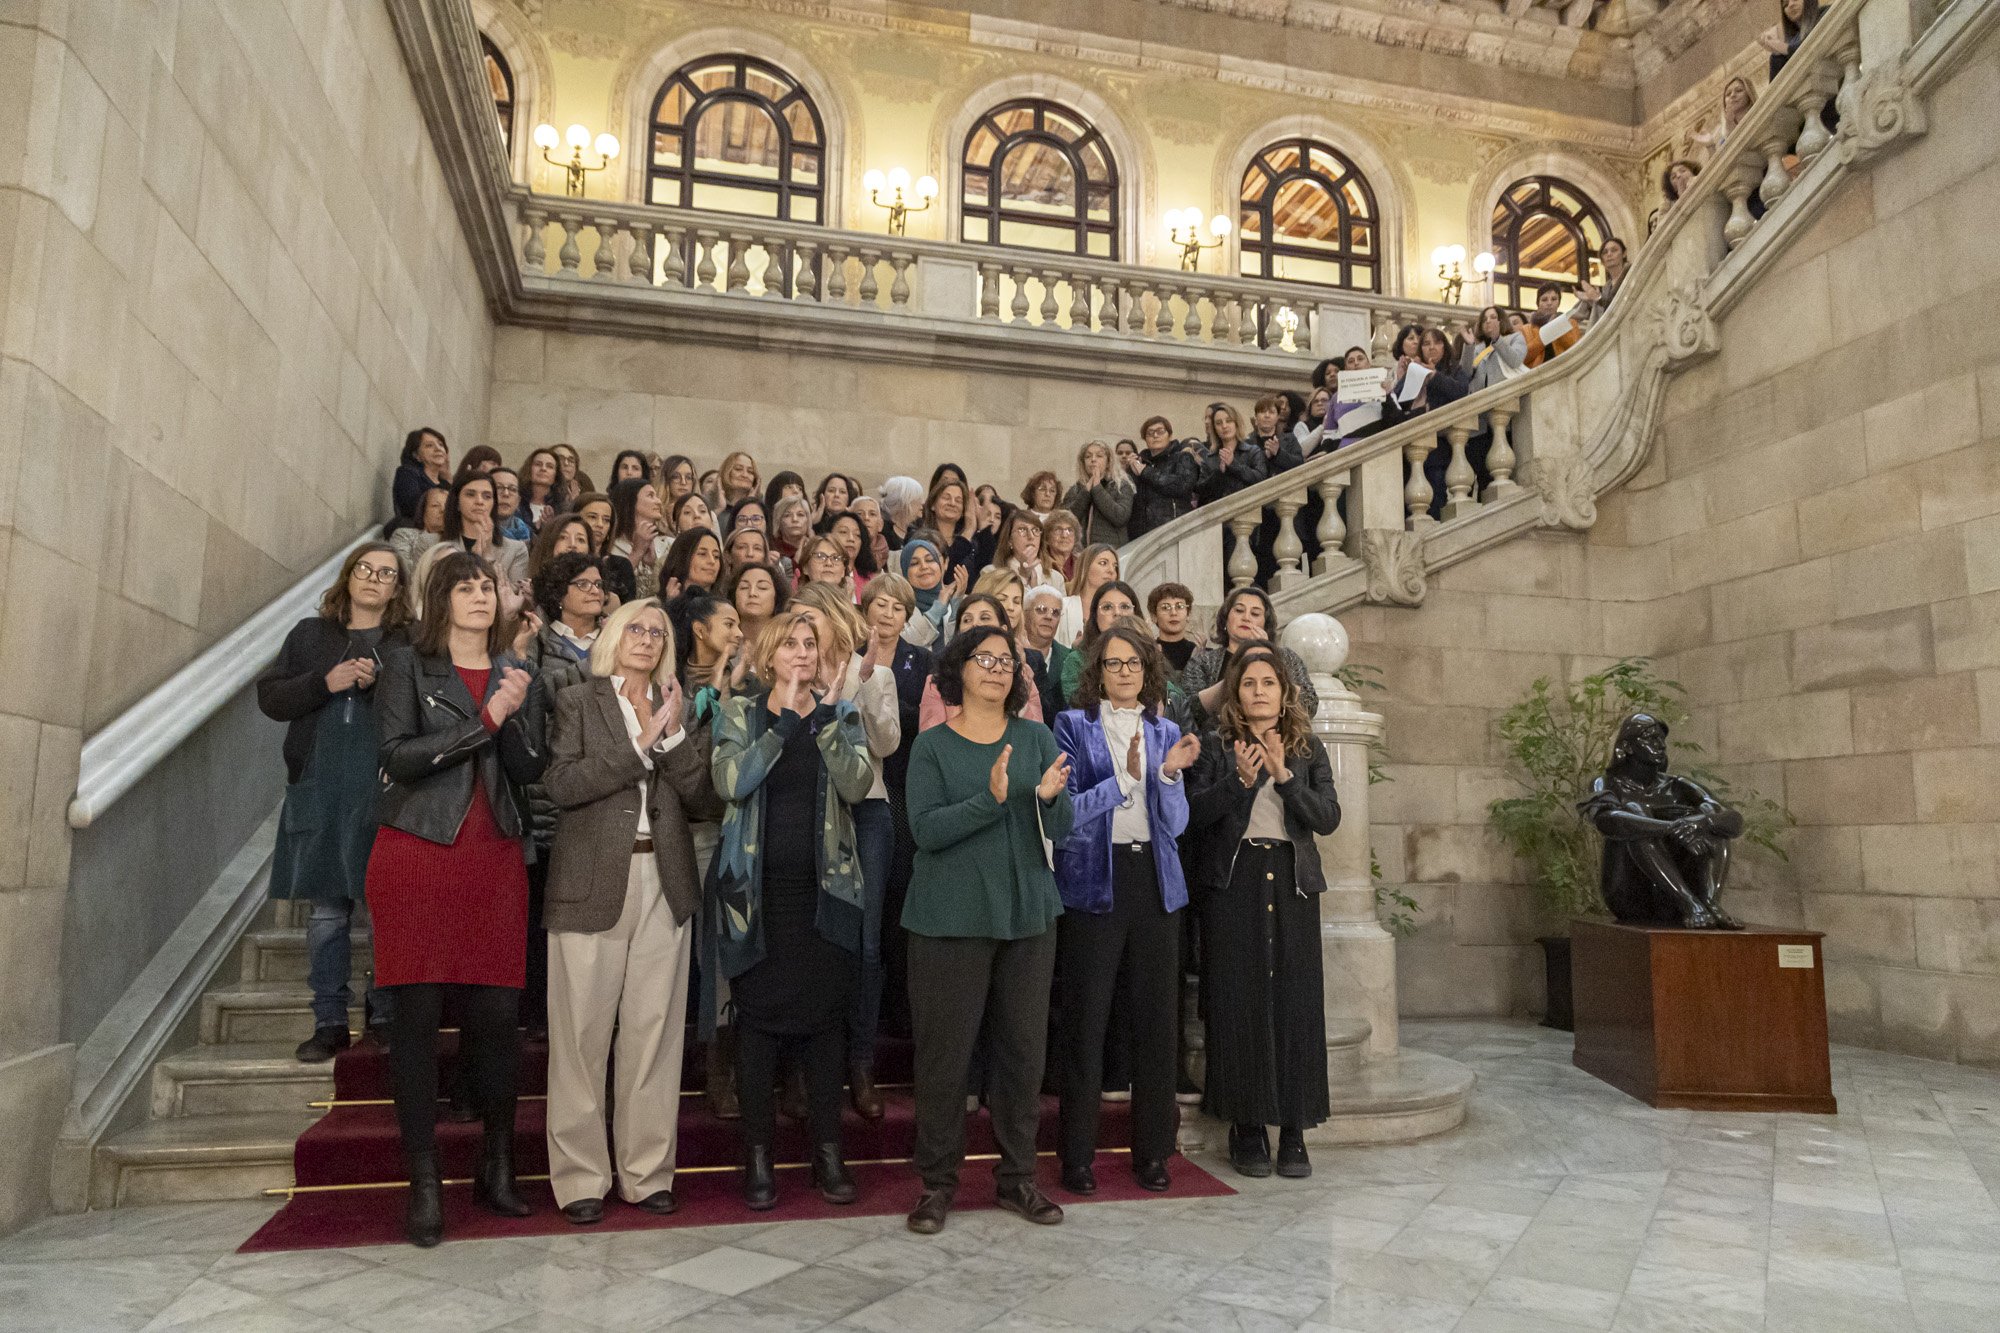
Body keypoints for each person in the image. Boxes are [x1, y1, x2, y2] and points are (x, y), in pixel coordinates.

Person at [366, 551, 547, 1246]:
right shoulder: (409, 663)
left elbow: (528, 768)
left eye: (486, 586)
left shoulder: (511, 667)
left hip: (494, 855)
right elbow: (398, 757)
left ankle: (496, 1166)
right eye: (464, 586)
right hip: (418, 853)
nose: (478, 595)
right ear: (440, 600)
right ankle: (425, 1180)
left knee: (499, 1018)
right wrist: (488, 718)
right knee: (415, 1019)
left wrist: (516, 707)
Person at [540, 598, 720, 1225]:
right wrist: (638, 744)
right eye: (636, 628)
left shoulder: (681, 707)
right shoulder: (576, 700)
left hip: (665, 880)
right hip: (590, 882)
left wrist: (668, 734)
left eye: (657, 632)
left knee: (654, 1034)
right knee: (581, 1035)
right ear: (613, 636)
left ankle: (646, 1174)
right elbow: (561, 786)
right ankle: (581, 1178)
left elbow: (703, 798)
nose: (647, 638)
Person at [902, 625, 1075, 1235]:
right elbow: (925, 830)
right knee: (946, 1059)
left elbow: (1060, 826)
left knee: (1023, 1055)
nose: (1000, 669)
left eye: (1008, 661)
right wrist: (994, 799)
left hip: (1027, 914)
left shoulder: (1034, 736)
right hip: (948, 919)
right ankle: (937, 1185)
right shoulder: (932, 747)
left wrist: (1052, 798)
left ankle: (1018, 1179)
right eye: (986, 659)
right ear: (959, 671)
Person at [709, 612, 875, 1209]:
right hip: (755, 898)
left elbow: (857, 786)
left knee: (825, 1026)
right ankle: (758, 1158)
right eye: (792, 645)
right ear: (771, 654)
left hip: (826, 895)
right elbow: (730, 781)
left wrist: (826, 719)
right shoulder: (740, 712)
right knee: (757, 1026)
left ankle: (827, 1153)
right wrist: (782, 727)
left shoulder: (842, 713)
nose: (803, 654)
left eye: (812, 645)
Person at [1052, 627, 1201, 1194]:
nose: (1124, 672)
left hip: (1155, 885)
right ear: (1098, 671)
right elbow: (1065, 814)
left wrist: (1165, 776)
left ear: (1147, 670)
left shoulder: (1166, 730)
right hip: (1095, 882)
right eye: (1113, 664)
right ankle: (1077, 1157)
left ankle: (1153, 1152)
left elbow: (1178, 825)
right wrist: (1122, 781)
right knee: (1087, 1022)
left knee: (1156, 1023)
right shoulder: (1073, 725)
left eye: (1133, 663)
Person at [1184, 646, 1340, 1180]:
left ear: (1284, 690)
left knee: (1294, 1003)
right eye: (1248, 682)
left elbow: (1328, 818)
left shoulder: (1308, 747)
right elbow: (1194, 817)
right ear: (1235, 692)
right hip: (1234, 883)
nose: (1258, 691)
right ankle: (1246, 1126)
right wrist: (1241, 783)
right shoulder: (1214, 746)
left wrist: (1286, 777)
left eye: (1268, 682)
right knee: (1239, 1001)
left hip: (1294, 885)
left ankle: (1294, 1129)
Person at [259, 544, 410, 1062]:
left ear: (396, 589)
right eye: (365, 570)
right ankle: (328, 1021)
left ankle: (385, 1014)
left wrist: (379, 684)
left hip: (383, 787)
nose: (373, 579)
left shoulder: (405, 642)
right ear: (349, 578)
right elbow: (271, 699)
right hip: (319, 784)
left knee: (386, 906)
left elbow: (420, 708)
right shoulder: (309, 634)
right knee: (327, 911)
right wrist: (326, 682)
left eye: (386, 573)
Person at [792, 581, 902, 1118]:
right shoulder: (793, 674)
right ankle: (803, 1067)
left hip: (868, 812)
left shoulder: (875, 671)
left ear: (836, 617)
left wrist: (860, 687)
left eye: (812, 619)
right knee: (811, 938)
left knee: (864, 941)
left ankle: (859, 1063)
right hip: (810, 811)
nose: (804, 631)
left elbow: (884, 745)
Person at [1182, 587, 1319, 731]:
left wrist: (1268, 657)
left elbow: (1309, 705)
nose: (1246, 618)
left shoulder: (1287, 657)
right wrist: (1243, 664)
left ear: (1265, 624)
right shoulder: (1203, 662)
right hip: (1219, 744)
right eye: (1239, 610)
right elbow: (1188, 711)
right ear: (1226, 618)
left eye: (1255, 613)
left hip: (1278, 741)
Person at [918, 594, 1045, 728]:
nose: (975, 624)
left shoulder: (1023, 676)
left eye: (985, 618)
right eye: (967, 620)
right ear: (958, 633)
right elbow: (932, 741)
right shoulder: (938, 682)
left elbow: (1036, 736)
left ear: (1003, 630)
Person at [1057, 580, 1141, 710]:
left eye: (1124, 607)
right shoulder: (1077, 660)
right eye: (1107, 607)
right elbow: (1078, 709)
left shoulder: (1149, 655)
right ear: (1095, 615)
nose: (1117, 613)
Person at [443, 472, 529, 586]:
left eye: (487, 496)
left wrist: (487, 557)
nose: (479, 501)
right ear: (457, 502)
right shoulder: (431, 543)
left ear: (493, 503)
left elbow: (515, 597)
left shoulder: (516, 550)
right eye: (470, 494)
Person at [530, 552, 607, 672]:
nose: (595, 591)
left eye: (598, 584)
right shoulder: (538, 638)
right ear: (558, 593)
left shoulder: (616, 634)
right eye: (583, 584)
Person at [1126, 415, 1200, 538]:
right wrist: (1130, 470)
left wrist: (1146, 471)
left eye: (1160, 431)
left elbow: (1181, 486)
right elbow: (1130, 495)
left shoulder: (1182, 457)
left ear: (1169, 435)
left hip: (1171, 532)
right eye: (1150, 433)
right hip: (1141, 535)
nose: (1155, 436)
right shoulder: (1140, 462)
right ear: (1145, 439)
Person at [1061, 441, 1133, 548]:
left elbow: (1120, 517)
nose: (1093, 459)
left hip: (1110, 551)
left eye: (1099, 456)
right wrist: (1085, 492)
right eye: (1088, 456)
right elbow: (1066, 520)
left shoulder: (1121, 485)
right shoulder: (1076, 489)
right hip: (1081, 552)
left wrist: (1097, 488)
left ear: (1108, 461)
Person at [604, 479, 667, 602]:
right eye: (650, 495)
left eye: (656, 496)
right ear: (630, 501)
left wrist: (654, 565)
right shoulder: (611, 548)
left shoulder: (668, 544)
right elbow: (612, 591)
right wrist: (637, 552)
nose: (659, 502)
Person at [899, 537, 962, 647]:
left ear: (940, 565)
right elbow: (904, 644)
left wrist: (957, 606)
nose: (924, 566)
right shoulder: (898, 607)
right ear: (905, 572)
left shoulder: (959, 601)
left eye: (930, 560)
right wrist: (937, 609)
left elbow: (962, 645)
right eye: (914, 563)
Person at [1056, 543, 1120, 648]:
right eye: (1103, 563)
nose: (1111, 571)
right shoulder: (1063, 606)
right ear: (1085, 567)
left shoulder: (1121, 610)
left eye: (1115, 566)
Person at [923, 477, 980, 584]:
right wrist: (968, 531)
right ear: (932, 505)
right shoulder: (922, 540)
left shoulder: (971, 545)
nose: (952, 503)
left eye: (959, 500)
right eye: (946, 498)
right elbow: (946, 578)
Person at [393, 427, 450, 520]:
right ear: (416, 455)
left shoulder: (445, 484)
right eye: (429, 445)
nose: (438, 448)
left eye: (441, 444)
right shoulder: (407, 473)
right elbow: (411, 508)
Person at [727, 561, 786, 650]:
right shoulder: (722, 642)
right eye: (744, 587)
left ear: (777, 596)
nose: (752, 593)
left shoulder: (788, 641)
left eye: (762, 587)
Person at [1147, 582, 1199, 674]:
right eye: (1165, 608)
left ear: (1188, 614)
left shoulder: (1200, 653)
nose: (1173, 613)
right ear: (1154, 616)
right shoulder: (1147, 652)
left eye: (1180, 606)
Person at [527, 514, 594, 582]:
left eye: (580, 539)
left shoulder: (598, 590)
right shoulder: (529, 589)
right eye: (563, 537)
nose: (573, 544)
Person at [994, 508, 1052, 587]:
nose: (1031, 536)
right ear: (1009, 540)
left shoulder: (1056, 578)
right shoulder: (991, 573)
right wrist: (1023, 577)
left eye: (1035, 530)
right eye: (1022, 529)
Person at [392, 486, 447, 568]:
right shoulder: (403, 535)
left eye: (447, 506)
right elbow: (402, 571)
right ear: (423, 511)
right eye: (435, 505)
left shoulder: (456, 541)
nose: (443, 509)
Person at [520, 447, 568, 527]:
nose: (543, 469)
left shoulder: (562, 509)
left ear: (556, 474)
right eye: (538, 464)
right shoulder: (517, 502)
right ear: (529, 469)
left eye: (549, 466)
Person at [878, 475, 925, 549]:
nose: (922, 502)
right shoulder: (882, 532)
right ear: (904, 502)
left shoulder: (918, 531)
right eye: (918, 499)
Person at [491, 468, 533, 543]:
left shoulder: (531, 537)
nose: (506, 494)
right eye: (498, 488)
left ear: (518, 500)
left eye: (512, 489)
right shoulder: (472, 532)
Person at [1042, 508, 1083, 584]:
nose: (1064, 535)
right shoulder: (1041, 563)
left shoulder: (1083, 563)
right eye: (1058, 530)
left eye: (1069, 530)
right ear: (1047, 537)